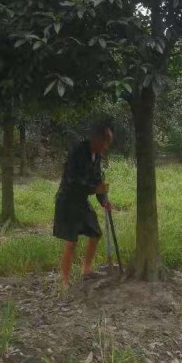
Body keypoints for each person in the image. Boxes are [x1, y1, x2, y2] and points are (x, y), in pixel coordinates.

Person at [53, 123, 115, 289]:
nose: (106, 146)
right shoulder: (78, 152)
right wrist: (93, 188)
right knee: (71, 242)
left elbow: (97, 180)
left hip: (81, 201)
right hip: (68, 200)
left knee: (95, 234)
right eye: (105, 141)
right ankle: (65, 281)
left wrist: (103, 201)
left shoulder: (97, 156)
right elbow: (72, 180)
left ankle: (86, 270)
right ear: (95, 139)